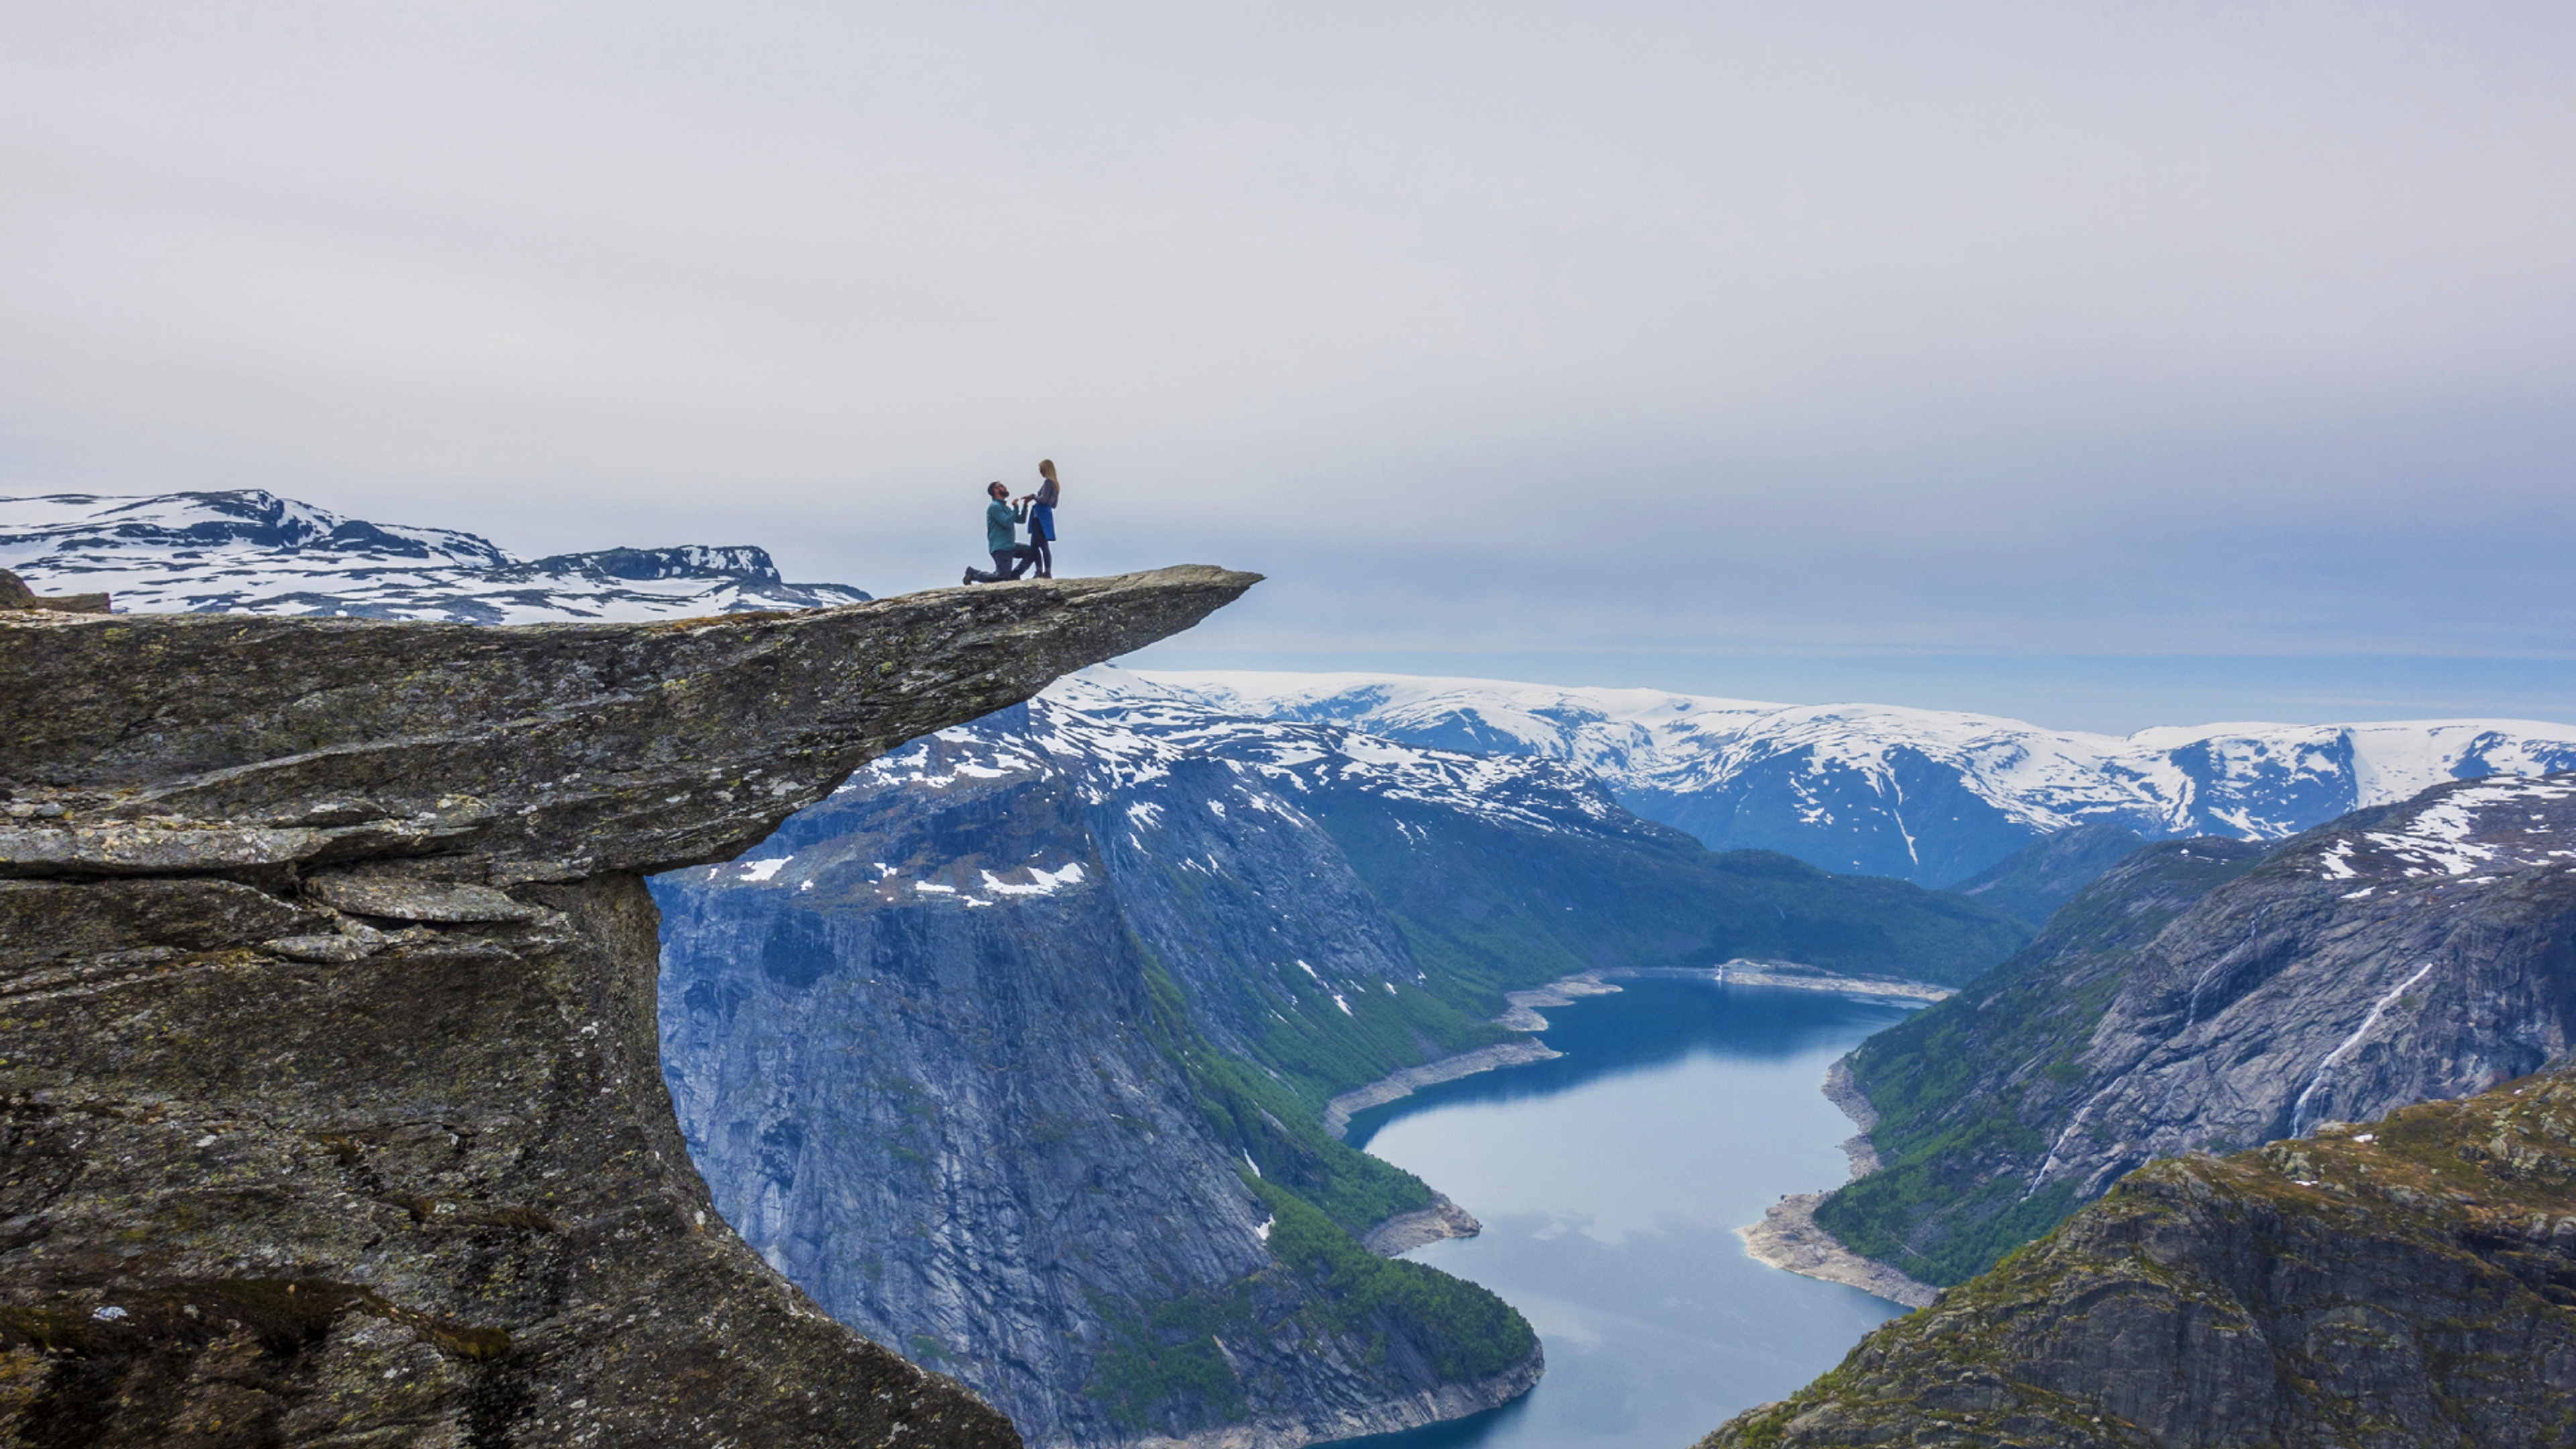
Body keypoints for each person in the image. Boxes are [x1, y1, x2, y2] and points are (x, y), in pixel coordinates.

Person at [962, 481, 1036, 584]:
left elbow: (1020, 520)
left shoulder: (1005, 508)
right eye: (1001, 486)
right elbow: (1006, 522)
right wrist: (1015, 508)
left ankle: (1014, 575)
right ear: (995, 490)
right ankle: (975, 574)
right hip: (1000, 547)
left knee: (1032, 552)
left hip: (1010, 546)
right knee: (1002, 577)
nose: (1004, 487)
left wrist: (1025, 506)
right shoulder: (994, 507)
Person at [1018, 459, 1062, 578]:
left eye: (1041, 469)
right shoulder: (1056, 485)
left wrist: (1033, 496)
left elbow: (1042, 500)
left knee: (1039, 545)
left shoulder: (1048, 482)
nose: (1040, 472)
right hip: (1046, 515)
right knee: (1038, 545)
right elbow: (1054, 504)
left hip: (1040, 517)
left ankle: (1043, 571)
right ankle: (1043, 571)